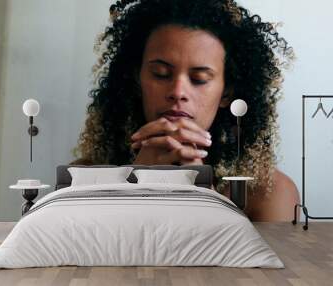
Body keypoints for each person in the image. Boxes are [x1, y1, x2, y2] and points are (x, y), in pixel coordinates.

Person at [70, 0, 299, 221]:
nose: (178, 91)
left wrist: (204, 199)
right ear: (137, 80)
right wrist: (133, 186)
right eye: (161, 73)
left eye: (199, 79)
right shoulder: (83, 178)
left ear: (226, 94)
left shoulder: (270, 194)